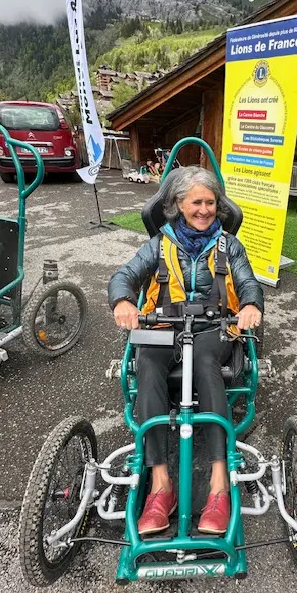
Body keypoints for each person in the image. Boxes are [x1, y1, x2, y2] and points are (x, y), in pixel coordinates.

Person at [108, 166, 263, 534]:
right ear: (178, 204)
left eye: (211, 202)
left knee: (205, 363)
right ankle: (160, 485)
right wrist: (123, 301)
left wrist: (252, 305)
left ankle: (219, 484)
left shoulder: (229, 245)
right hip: (163, 325)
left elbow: (247, 282)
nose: (205, 210)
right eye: (197, 202)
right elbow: (124, 275)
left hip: (213, 328)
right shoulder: (159, 244)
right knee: (147, 364)